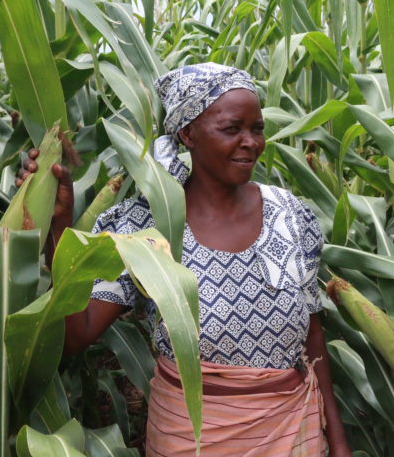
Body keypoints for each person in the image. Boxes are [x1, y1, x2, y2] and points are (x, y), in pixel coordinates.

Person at [18, 63, 351, 457]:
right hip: (190, 439)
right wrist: (58, 227)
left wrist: (339, 443)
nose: (251, 142)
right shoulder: (148, 226)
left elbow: (312, 338)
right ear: (187, 134)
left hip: (293, 431)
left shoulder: (289, 215)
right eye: (232, 129)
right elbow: (77, 334)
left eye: (257, 128)